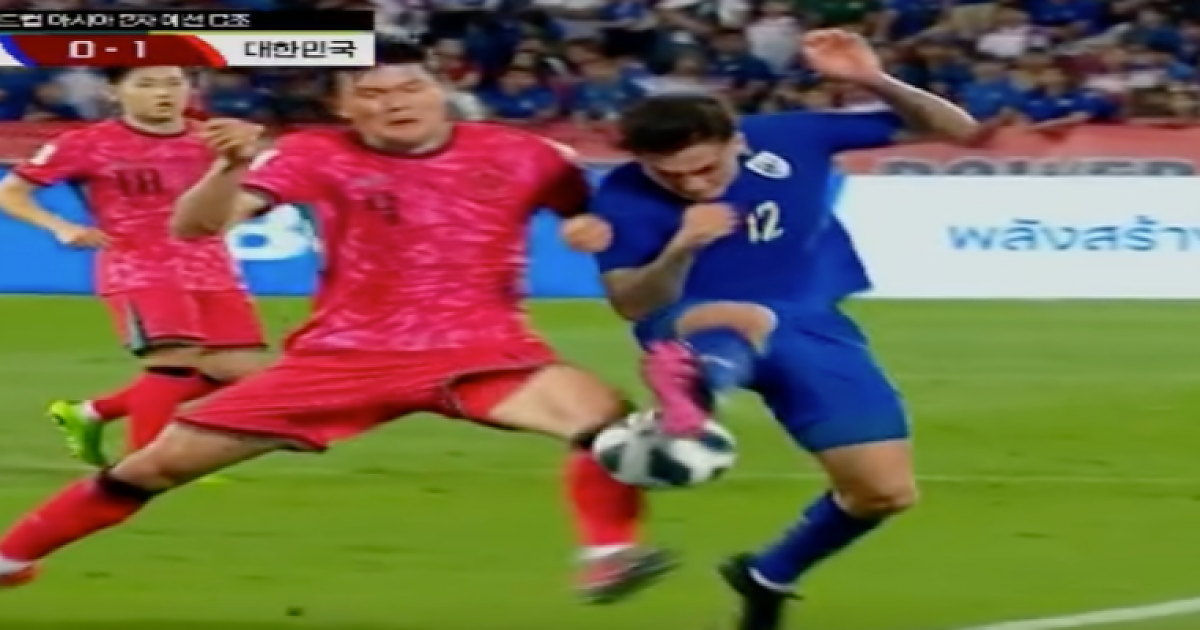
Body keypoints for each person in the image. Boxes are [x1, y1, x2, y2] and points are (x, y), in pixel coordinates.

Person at [0, 43, 669, 604]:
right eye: (372, 93)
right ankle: (11, 558)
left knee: (605, 421)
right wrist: (229, 167)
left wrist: (589, 227)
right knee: (152, 468)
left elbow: (591, 209)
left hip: (484, 351)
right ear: (343, 107)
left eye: (410, 87)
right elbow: (198, 227)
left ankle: (609, 554)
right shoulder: (316, 153)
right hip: (342, 358)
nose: (396, 102)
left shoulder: (526, 154)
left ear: (441, 90)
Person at [563, 29, 980, 630]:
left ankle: (767, 575)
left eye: (704, 168)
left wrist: (872, 80)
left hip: (808, 321)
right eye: (670, 176)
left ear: (737, 139)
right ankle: (691, 399)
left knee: (883, 493)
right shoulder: (623, 197)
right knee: (740, 319)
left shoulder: (793, 136)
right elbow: (631, 303)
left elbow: (958, 130)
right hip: (688, 318)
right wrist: (681, 247)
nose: (692, 185)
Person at [0, 66, 270, 471]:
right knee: (173, 363)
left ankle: (92, 413)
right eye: (146, 84)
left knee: (240, 370)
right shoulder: (88, 143)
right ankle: (145, 468)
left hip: (212, 266)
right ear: (114, 92)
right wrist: (61, 227)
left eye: (174, 83)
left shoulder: (214, 139)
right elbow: (12, 192)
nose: (163, 93)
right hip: (140, 266)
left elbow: (253, 192)